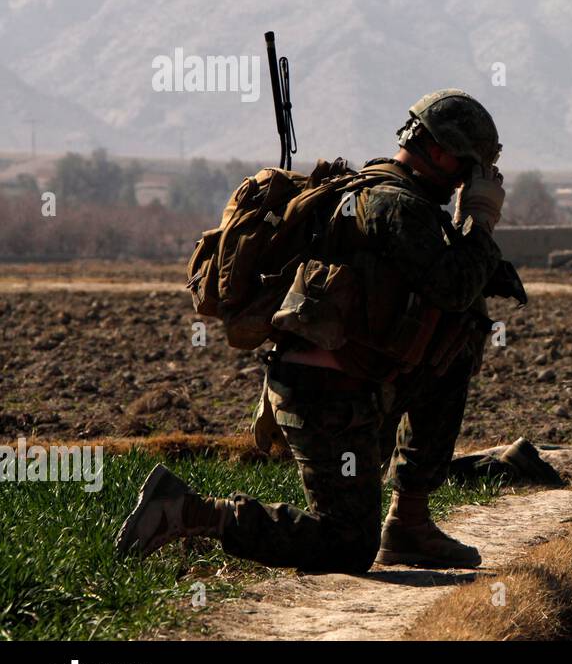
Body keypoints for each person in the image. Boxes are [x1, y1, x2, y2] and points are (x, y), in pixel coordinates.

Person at [116, 90, 505, 574]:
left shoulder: (380, 195)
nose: (468, 181)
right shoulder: (396, 207)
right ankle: (187, 510)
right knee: (347, 547)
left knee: (458, 340)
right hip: (326, 400)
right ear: (442, 152)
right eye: (468, 168)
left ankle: (409, 521)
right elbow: (455, 285)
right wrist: (480, 220)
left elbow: (459, 302)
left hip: (354, 386)